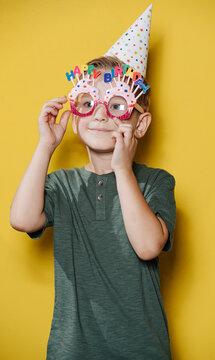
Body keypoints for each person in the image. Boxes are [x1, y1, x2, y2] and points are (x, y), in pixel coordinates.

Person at [10, 5, 176, 359]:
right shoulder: (62, 186)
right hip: (72, 349)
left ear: (140, 125)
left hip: (142, 350)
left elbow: (148, 246)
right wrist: (45, 145)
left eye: (117, 105)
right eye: (88, 102)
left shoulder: (155, 183)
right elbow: (22, 220)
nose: (100, 113)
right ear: (75, 118)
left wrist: (123, 169)